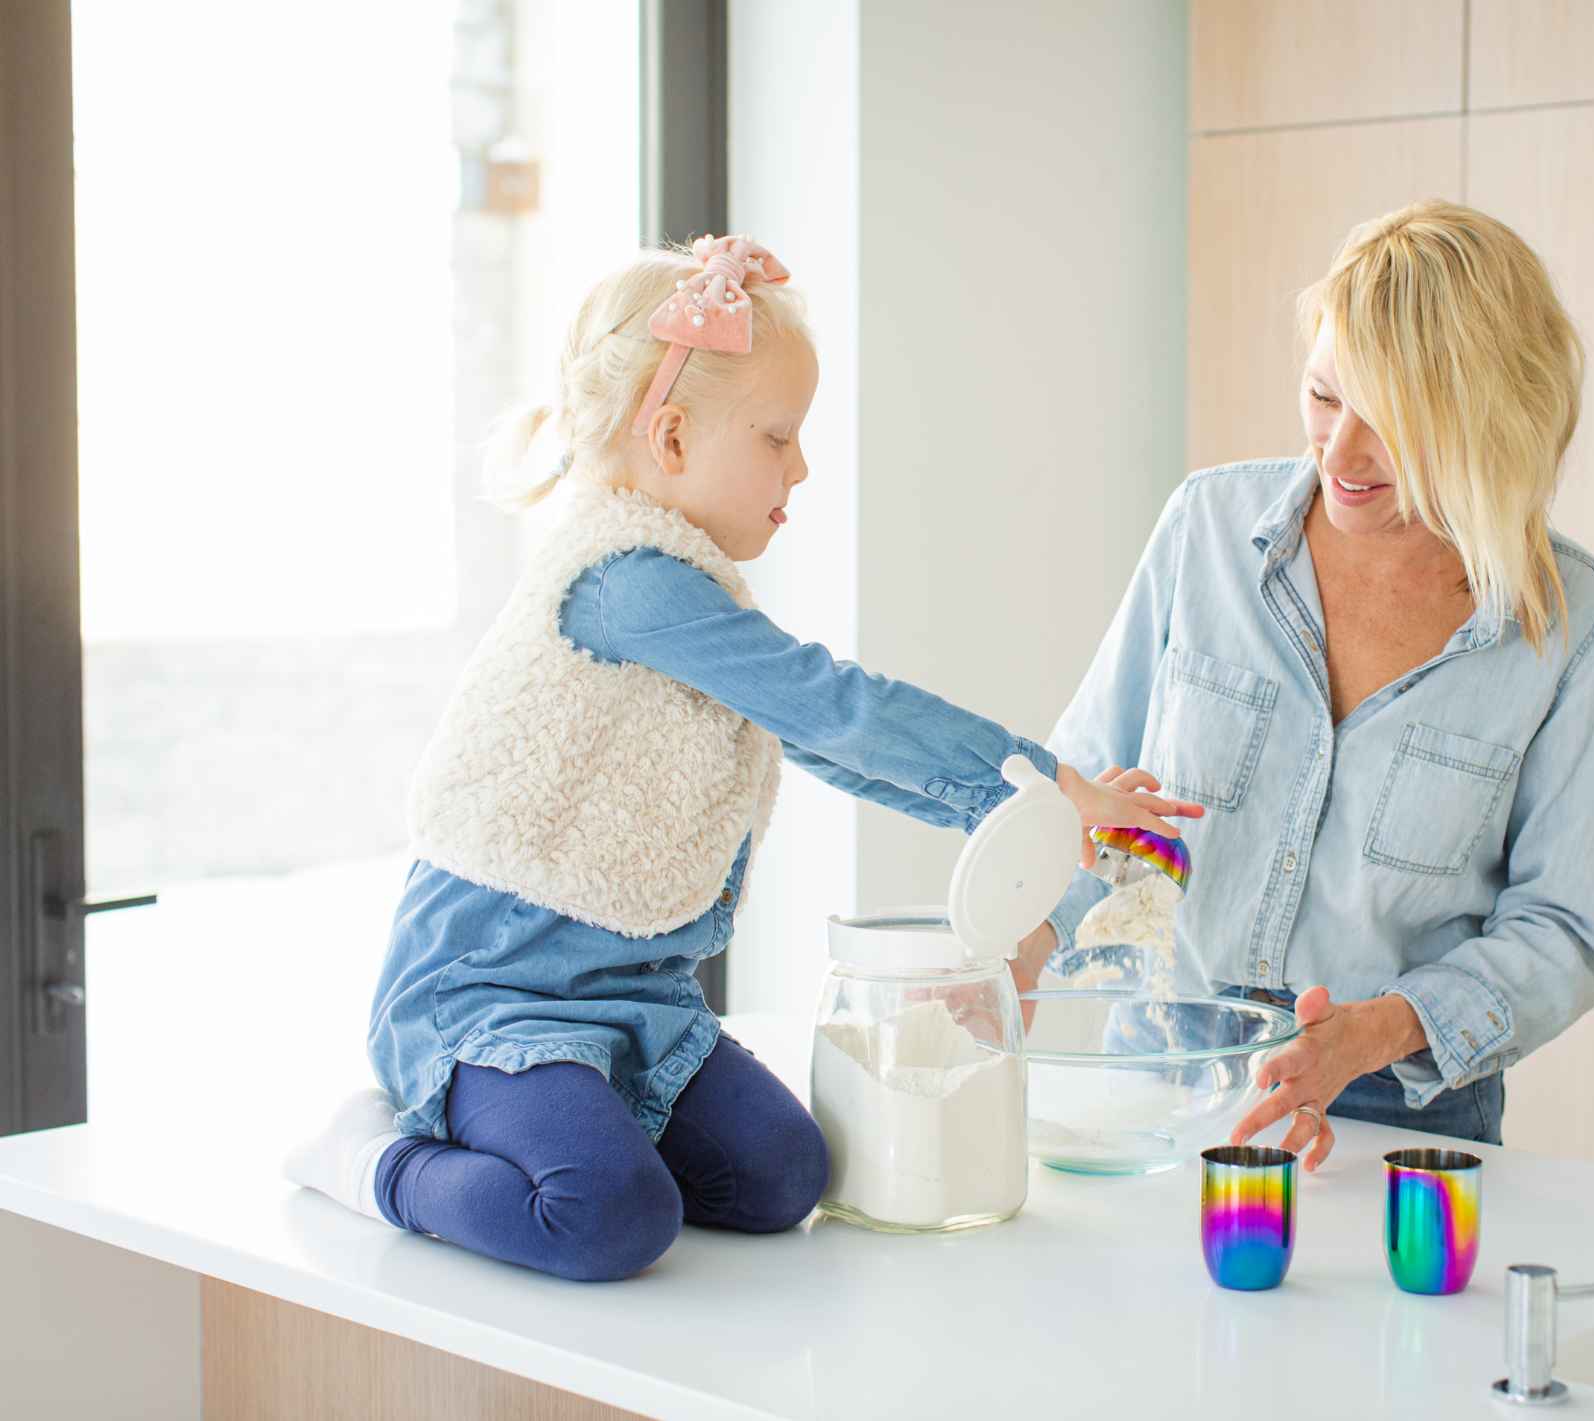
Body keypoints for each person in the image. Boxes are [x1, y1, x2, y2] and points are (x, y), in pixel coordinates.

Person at [284, 237, 1198, 1280]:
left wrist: (1030, 815)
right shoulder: (623, 581)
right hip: (488, 995)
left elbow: (823, 741)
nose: (799, 466)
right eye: (778, 436)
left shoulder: (691, 591)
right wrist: (1045, 780)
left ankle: (581, 1118)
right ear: (669, 437)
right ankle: (378, 1158)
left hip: (637, 997)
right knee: (607, 1217)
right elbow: (834, 706)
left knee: (780, 1179)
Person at [1017, 201, 1594, 1169]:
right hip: (1164, 1085)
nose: (1339, 453)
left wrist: (1372, 1032)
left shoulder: (1572, 628)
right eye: (1323, 396)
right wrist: (1022, 940)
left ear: (1488, 424)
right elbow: (1091, 781)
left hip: (1401, 1125)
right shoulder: (1207, 532)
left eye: (1390, 425)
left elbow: (1564, 932)